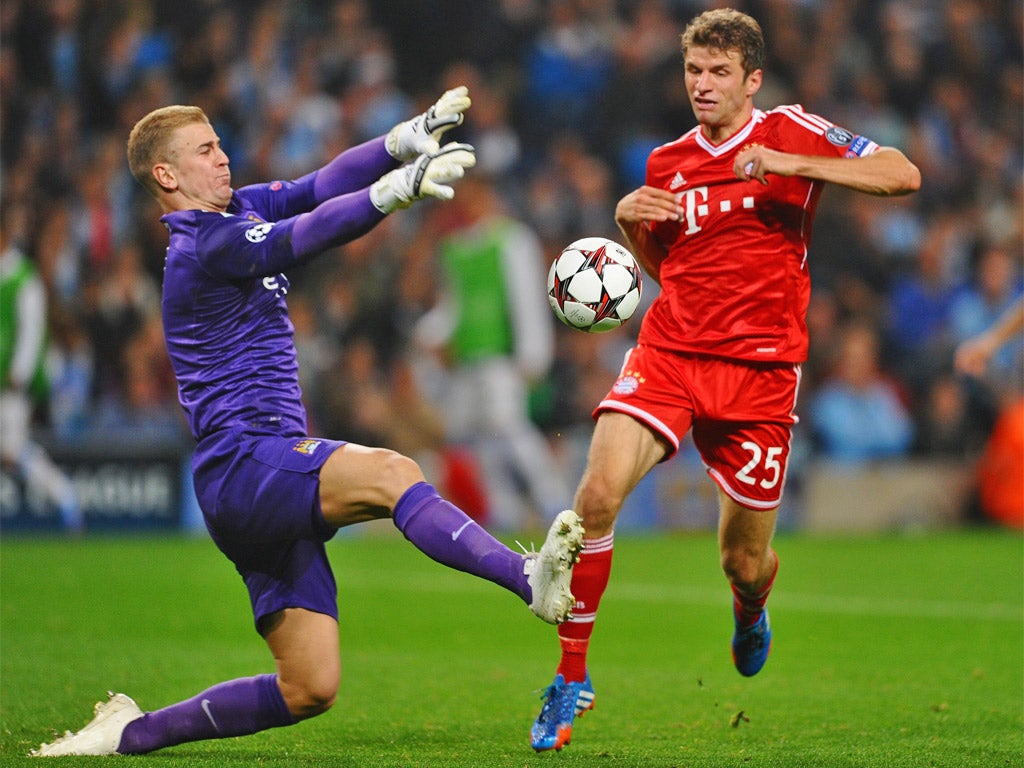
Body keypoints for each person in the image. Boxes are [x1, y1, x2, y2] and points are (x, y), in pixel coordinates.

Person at [31, 88, 585, 758]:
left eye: (220, 144)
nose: (224, 159)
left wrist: (398, 140)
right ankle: (526, 580)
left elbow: (318, 186)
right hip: (245, 460)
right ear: (166, 175)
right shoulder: (202, 247)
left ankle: (128, 733)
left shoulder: (239, 210)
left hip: (258, 475)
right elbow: (309, 232)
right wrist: (394, 193)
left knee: (309, 686)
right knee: (392, 472)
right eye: (205, 152)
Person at [529, 8, 920, 752]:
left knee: (742, 559)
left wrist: (793, 166)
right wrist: (627, 222)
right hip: (671, 352)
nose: (701, 86)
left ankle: (750, 606)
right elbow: (668, 269)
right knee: (596, 497)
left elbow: (902, 173)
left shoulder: (795, 132)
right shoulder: (666, 161)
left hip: (762, 373)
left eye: (717, 74)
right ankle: (570, 678)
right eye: (692, 72)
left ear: (752, 81)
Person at [416, 174, 572, 529]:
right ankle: (505, 511)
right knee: (478, 437)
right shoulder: (453, 248)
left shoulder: (511, 240)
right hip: (466, 357)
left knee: (510, 426)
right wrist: (432, 334)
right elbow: (454, 303)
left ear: (487, 196)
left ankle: (554, 499)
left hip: (502, 355)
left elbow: (526, 299)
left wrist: (534, 354)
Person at [0, 200, 82, 533]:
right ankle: (64, 496)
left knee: (11, 449)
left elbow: (32, 330)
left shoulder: (23, 276)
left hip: (12, 382)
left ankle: (65, 495)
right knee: (9, 450)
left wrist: (18, 375)